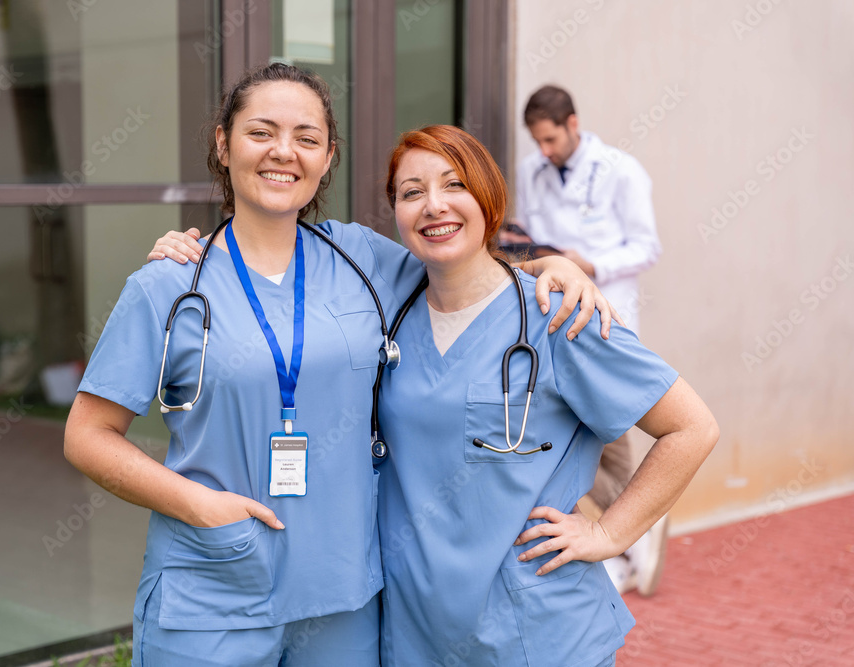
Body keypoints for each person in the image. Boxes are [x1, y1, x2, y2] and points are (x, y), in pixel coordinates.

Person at [67, 62, 612, 667]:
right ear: (223, 144)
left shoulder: (360, 259)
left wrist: (551, 267)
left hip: (342, 603)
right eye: (260, 132)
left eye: (307, 138)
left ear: (328, 158)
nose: (284, 152)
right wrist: (198, 505)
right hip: (210, 590)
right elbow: (88, 437)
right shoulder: (170, 285)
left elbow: (464, 266)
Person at [374, 125, 718, 666]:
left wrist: (608, 532)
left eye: (454, 184)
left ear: (489, 198)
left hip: (535, 635)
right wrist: (191, 250)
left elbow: (692, 428)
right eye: (411, 192)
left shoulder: (560, 315)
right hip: (417, 633)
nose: (433, 205)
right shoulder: (389, 308)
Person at [516, 84, 666, 595]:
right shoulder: (531, 170)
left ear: (573, 124)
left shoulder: (622, 171)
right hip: (554, 321)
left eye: (551, 139)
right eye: (537, 141)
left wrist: (590, 264)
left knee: (609, 436)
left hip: (605, 319)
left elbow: (648, 247)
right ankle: (629, 529)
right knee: (575, 436)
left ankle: (630, 532)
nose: (544, 151)